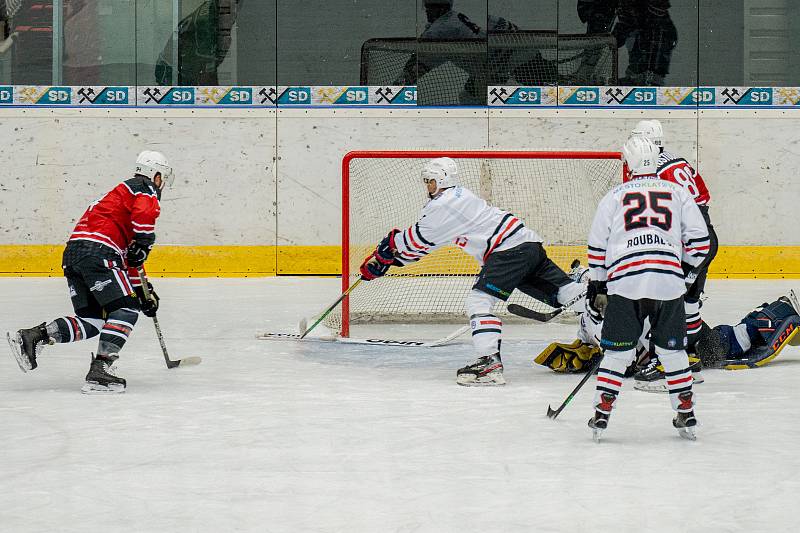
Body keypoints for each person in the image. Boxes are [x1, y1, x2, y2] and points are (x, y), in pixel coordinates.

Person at [359, 157, 585, 386]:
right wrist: (390, 262)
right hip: (527, 244)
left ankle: (489, 364)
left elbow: (416, 240)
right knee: (566, 293)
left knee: (479, 301)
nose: (427, 186)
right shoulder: (459, 195)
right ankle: (605, 337)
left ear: (440, 180)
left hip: (507, 251)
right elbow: (427, 244)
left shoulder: (443, 206)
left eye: (429, 181)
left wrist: (386, 252)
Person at [6, 151, 173, 394]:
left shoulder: (117, 198)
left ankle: (33, 337)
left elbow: (130, 257)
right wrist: (145, 242)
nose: (162, 184)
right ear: (156, 174)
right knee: (126, 309)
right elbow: (144, 219)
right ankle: (101, 370)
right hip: (99, 254)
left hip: (75, 255)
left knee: (93, 320)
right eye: (162, 178)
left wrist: (144, 290)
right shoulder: (142, 187)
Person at [585, 136, 710, 441]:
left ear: (628, 163)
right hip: (668, 283)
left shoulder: (613, 196)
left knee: (617, 353)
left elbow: (597, 245)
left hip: (625, 283)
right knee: (673, 350)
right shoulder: (678, 193)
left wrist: (598, 282)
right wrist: (681, 268)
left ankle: (603, 410)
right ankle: (685, 408)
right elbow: (701, 242)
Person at [629, 120, 717, 356]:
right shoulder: (678, 159)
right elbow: (704, 197)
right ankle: (706, 350)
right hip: (706, 238)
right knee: (688, 302)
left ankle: (665, 354)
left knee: (665, 301)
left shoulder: (647, 169)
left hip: (685, 242)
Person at [577, 0, 677, 86]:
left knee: (647, 78)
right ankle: (644, 77)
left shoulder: (655, 23)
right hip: (645, 39)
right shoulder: (626, 12)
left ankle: (648, 78)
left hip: (655, 41)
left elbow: (657, 26)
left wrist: (652, 73)